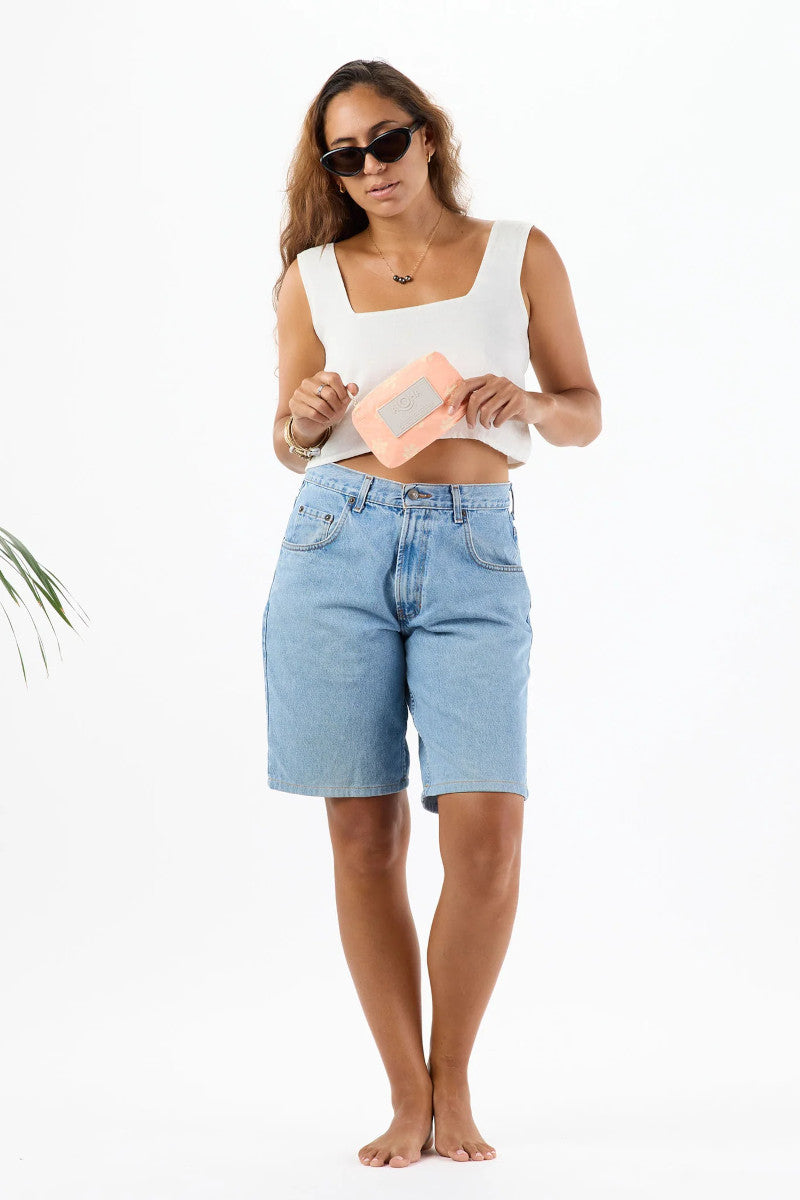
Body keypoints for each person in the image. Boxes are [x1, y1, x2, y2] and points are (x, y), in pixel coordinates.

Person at [262, 59, 602, 1168]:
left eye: (385, 142)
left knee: (487, 836)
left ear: (428, 134)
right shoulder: (310, 275)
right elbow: (284, 440)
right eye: (343, 156)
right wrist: (303, 414)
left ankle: (456, 1081)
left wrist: (534, 404)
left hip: (472, 549)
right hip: (334, 544)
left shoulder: (517, 253)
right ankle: (405, 1093)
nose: (368, 169)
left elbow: (584, 411)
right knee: (363, 836)